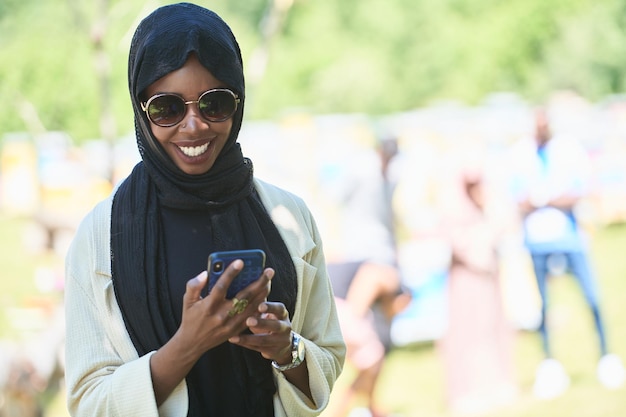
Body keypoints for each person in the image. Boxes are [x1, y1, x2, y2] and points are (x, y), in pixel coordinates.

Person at [63, 3, 345, 416]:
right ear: (141, 110)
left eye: (214, 104)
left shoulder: (289, 216)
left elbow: (328, 359)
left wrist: (286, 348)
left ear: (238, 100)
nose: (194, 126)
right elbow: (88, 404)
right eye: (167, 108)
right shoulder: (101, 236)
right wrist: (187, 345)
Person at [509, 106, 625, 399]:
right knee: (543, 307)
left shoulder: (567, 149)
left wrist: (545, 199)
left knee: (592, 299)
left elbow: (580, 189)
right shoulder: (519, 153)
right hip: (537, 241)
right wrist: (544, 199)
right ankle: (550, 364)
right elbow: (518, 198)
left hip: (570, 237)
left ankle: (606, 357)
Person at [324, 135, 409, 417]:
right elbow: (333, 202)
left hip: (370, 262)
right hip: (358, 263)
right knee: (373, 354)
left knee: (376, 355)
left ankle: (370, 406)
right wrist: (354, 322)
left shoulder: (391, 177)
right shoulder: (360, 171)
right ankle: (350, 409)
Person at [438, 154, 517, 415]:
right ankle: (467, 392)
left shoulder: (488, 202)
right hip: (465, 280)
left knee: (493, 329)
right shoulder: (454, 206)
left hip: (488, 279)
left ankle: (496, 383)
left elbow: (505, 226)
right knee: (466, 335)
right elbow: (460, 244)